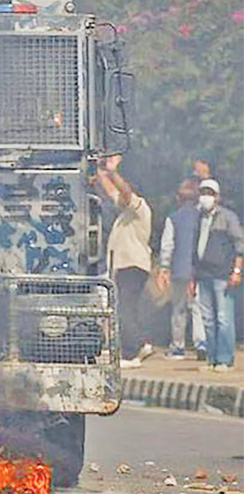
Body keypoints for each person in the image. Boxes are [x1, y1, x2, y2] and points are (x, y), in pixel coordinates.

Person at [95, 155, 154, 367]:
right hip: (125, 266)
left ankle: (132, 352)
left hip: (133, 265)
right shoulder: (126, 213)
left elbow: (125, 192)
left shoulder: (140, 208)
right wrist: (100, 173)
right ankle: (140, 343)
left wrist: (113, 171)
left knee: (125, 309)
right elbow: (112, 193)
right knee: (126, 307)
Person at [191, 179, 244, 372]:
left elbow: (240, 246)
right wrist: (193, 277)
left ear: (217, 196)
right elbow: (195, 250)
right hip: (203, 275)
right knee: (208, 319)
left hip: (222, 274)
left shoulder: (228, 217)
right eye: (203, 192)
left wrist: (236, 271)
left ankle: (225, 359)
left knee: (223, 318)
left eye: (210, 193)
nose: (206, 196)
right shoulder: (199, 218)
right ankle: (212, 360)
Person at [158, 179, 206, 359]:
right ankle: (202, 344)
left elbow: (167, 245)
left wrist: (164, 267)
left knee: (179, 309)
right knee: (198, 308)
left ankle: (178, 347)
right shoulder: (202, 218)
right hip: (199, 271)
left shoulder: (173, 218)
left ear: (179, 198)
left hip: (179, 269)